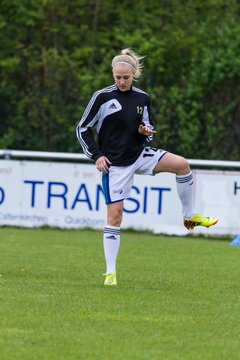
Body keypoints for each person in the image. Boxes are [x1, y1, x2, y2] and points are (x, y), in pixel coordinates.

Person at [76, 48, 218, 286]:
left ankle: (189, 217)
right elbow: (82, 128)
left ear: (133, 75)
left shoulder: (142, 98)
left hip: (140, 154)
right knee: (115, 216)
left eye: (126, 77)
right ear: (113, 73)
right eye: (117, 77)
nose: (121, 81)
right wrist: (97, 156)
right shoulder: (101, 97)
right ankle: (110, 272)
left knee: (182, 165)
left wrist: (145, 132)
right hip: (115, 164)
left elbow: (148, 129)